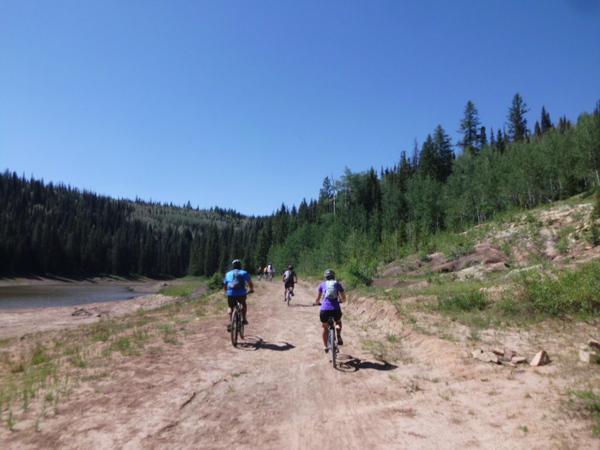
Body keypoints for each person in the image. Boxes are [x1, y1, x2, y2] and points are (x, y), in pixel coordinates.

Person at [314, 269, 346, 352]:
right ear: (334, 276)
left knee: (325, 328)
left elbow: (317, 299)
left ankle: (325, 346)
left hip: (324, 310)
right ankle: (338, 334)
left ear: (325, 277)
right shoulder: (337, 284)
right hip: (335, 310)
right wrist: (341, 301)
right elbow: (344, 298)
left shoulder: (322, 285)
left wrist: (317, 302)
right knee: (338, 321)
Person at [223, 259, 254, 331]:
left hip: (230, 293)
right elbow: (250, 283)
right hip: (241, 293)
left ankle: (231, 321)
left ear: (233, 266)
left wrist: (225, 292)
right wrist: (251, 289)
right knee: (243, 304)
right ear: (240, 265)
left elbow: (225, 285)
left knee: (230, 307)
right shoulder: (244, 273)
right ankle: (244, 319)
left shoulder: (228, 273)